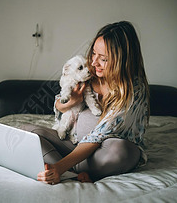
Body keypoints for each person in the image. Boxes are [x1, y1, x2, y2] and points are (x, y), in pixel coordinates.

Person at [21, 21, 149, 185]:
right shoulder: (89, 74)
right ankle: (75, 173)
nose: (94, 62)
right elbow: (59, 106)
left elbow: (100, 134)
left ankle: (64, 169)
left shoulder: (134, 89)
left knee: (121, 151)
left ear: (122, 61)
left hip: (104, 152)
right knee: (25, 132)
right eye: (93, 53)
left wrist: (59, 167)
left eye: (103, 59)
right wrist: (70, 102)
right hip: (74, 145)